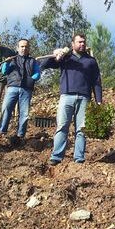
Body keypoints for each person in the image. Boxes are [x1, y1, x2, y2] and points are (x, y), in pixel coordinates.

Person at [43, 34, 102, 165]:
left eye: (84, 42)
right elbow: (44, 64)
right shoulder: (66, 58)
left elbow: (96, 81)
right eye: (79, 42)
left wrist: (99, 100)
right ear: (72, 44)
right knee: (62, 126)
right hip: (66, 96)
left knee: (82, 129)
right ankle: (56, 156)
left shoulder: (91, 61)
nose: (82, 44)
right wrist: (55, 54)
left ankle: (79, 158)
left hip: (84, 98)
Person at [0, 39, 42, 143]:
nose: (24, 48)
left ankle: (20, 135)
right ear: (18, 48)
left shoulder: (33, 61)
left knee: (24, 113)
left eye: (26, 47)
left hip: (26, 89)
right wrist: (6, 63)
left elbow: (38, 73)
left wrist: (32, 79)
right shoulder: (12, 59)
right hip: (12, 87)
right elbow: (4, 71)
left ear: (29, 48)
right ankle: (2, 131)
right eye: (22, 46)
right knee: (6, 109)